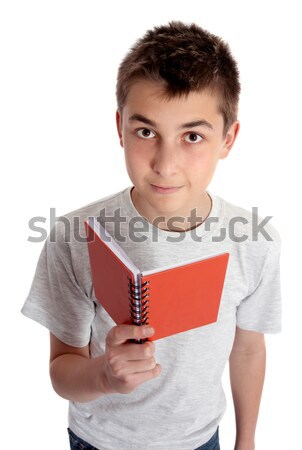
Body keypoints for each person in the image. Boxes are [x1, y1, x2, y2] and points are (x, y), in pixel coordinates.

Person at [21, 21, 282, 450]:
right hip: (100, 441)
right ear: (120, 125)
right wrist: (103, 374)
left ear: (228, 139)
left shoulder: (255, 240)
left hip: (201, 439)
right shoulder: (72, 236)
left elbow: (248, 349)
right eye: (146, 132)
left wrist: (247, 440)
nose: (165, 164)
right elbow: (62, 371)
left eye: (193, 136)